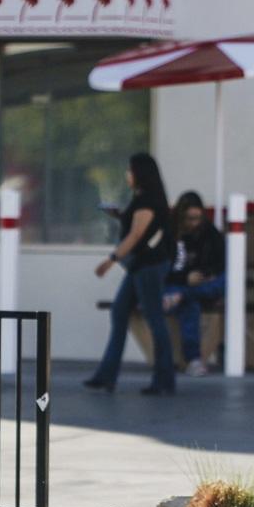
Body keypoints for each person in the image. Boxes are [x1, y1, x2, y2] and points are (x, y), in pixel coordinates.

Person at [85, 152, 175, 395]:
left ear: (140, 173)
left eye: (130, 170)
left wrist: (111, 260)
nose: (127, 175)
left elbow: (136, 236)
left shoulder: (148, 201)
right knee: (119, 311)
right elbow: (137, 228)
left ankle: (164, 378)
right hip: (140, 267)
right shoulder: (143, 199)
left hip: (148, 267)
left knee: (155, 319)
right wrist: (120, 215)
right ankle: (106, 375)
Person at [163, 191, 226, 377]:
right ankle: (193, 360)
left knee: (228, 280)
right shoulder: (169, 233)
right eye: (190, 219)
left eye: (198, 218)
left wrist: (207, 274)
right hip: (176, 283)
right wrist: (185, 278)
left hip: (201, 284)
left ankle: (181, 296)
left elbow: (220, 261)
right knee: (190, 306)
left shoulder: (209, 231)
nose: (194, 223)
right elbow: (162, 270)